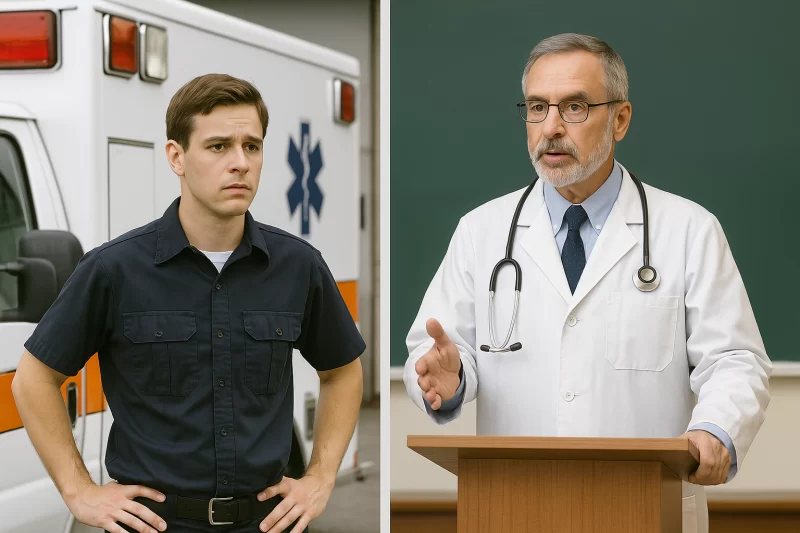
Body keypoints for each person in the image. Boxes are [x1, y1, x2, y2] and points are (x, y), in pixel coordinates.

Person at [404, 34, 771, 533]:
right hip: (513, 509)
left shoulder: (688, 230)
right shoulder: (481, 232)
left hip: (647, 512)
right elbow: (437, 350)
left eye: (574, 107)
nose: (551, 128)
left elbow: (735, 359)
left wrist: (715, 429)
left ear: (620, 119)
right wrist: (450, 380)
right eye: (537, 108)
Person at [11, 73, 365, 533]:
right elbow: (33, 378)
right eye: (219, 146)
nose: (240, 163)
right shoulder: (113, 270)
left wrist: (319, 478)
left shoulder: (299, 266)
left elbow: (342, 371)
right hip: (154, 525)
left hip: (265, 523)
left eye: (252, 146)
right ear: (176, 157)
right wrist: (79, 490)